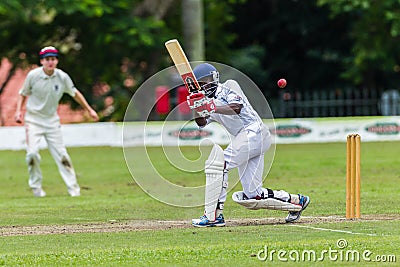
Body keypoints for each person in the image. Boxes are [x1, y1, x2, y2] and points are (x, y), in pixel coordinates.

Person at [188, 63, 310, 227]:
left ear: (214, 78)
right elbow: (201, 123)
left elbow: (237, 107)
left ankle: (214, 216)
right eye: (201, 83)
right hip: (244, 138)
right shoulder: (206, 100)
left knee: (219, 164)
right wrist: (197, 107)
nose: (205, 85)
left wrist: (211, 106)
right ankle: (296, 201)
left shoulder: (229, 86)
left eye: (207, 80)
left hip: (254, 131)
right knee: (253, 195)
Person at [14, 46, 99, 197]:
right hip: (33, 120)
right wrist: (18, 111)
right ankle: (36, 188)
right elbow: (22, 94)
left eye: (53, 59)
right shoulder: (33, 76)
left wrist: (89, 109)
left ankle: (74, 190)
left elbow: (75, 93)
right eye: (47, 59)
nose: (50, 62)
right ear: (42, 61)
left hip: (52, 121)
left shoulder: (62, 77)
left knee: (62, 155)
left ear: (57, 60)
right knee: (32, 154)